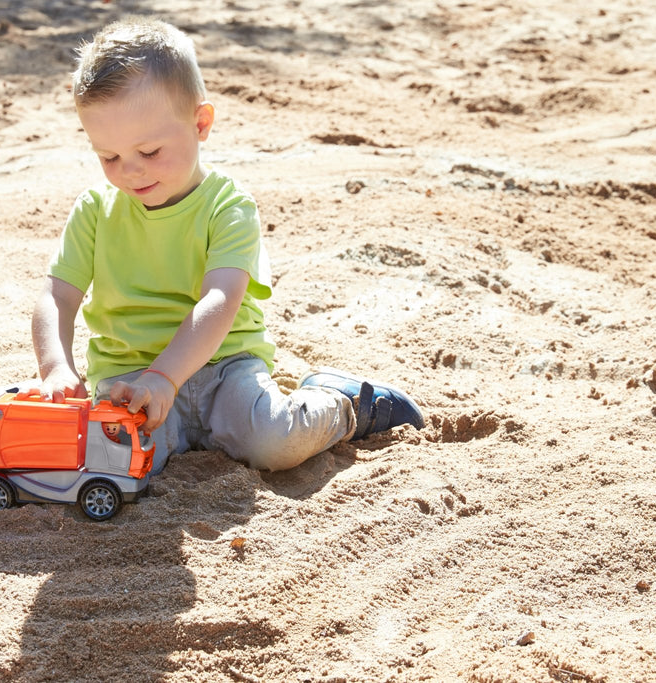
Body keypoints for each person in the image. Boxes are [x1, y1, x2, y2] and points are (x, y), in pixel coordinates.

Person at [30, 17, 423, 475]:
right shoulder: (96, 209)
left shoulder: (227, 205)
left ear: (200, 123)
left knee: (275, 444)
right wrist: (55, 369)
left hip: (224, 369)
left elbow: (220, 298)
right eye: (109, 157)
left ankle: (344, 403)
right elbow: (57, 297)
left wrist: (167, 376)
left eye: (149, 152)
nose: (131, 171)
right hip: (130, 378)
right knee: (104, 462)